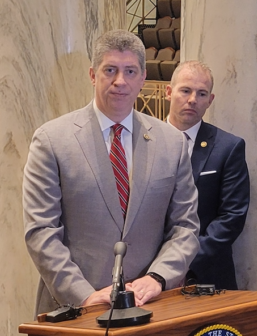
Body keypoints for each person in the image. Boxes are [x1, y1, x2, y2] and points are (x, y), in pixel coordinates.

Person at [23, 30, 200, 316]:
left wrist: (157, 278)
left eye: (130, 71)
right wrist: (84, 295)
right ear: (93, 74)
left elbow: (186, 227)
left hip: (151, 307)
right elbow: (41, 232)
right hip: (75, 310)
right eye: (110, 70)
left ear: (143, 78)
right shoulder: (51, 140)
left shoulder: (172, 143)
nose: (120, 81)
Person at [166, 61, 250, 290]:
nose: (193, 99)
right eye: (185, 90)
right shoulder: (141, 140)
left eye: (201, 93)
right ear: (168, 92)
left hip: (204, 276)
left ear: (210, 101)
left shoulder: (228, 147)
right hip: (144, 276)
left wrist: (182, 262)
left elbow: (231, 217)